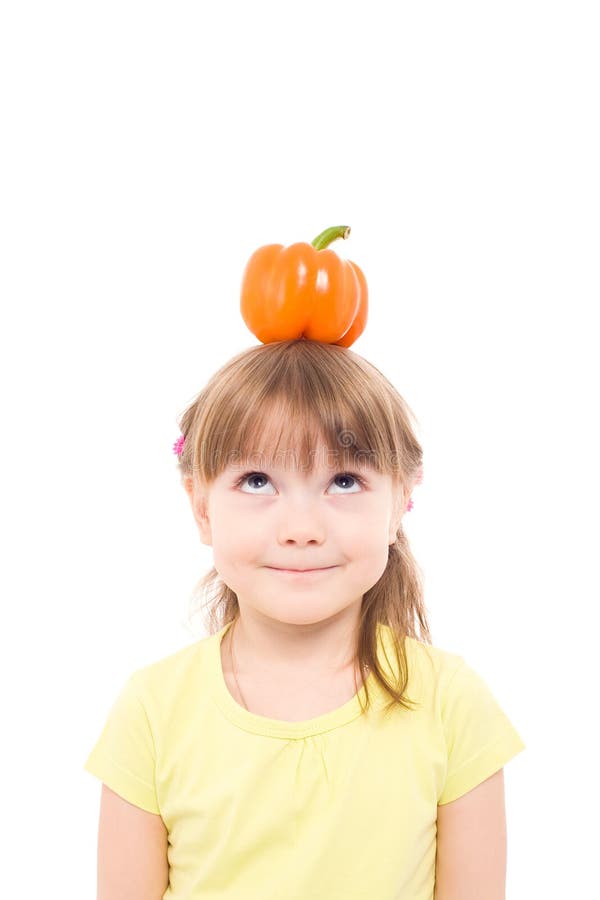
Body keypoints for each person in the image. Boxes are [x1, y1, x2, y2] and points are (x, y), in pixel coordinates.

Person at [84, 337, 526, 899]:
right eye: (257, 481)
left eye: (344, 481)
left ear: (399, 503)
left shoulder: (452, 704)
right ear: (201, 508)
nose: (301, 527)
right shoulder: (151, 710)